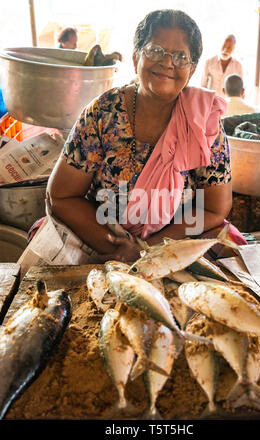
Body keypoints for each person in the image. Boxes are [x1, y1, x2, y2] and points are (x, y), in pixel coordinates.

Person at [45, 9, 246, 264]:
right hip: (105, 233)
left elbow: (214, 207)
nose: (167, 63)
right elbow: (62, 195)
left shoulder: (203, 121)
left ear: (192, 69)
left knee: (235, 250)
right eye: (155, 51)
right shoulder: (103, 113)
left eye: (180, 57)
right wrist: (117, 246)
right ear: (135, 57)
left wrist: (148, 249)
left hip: (173, 239)